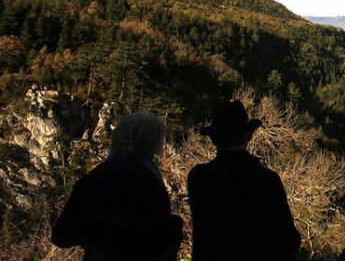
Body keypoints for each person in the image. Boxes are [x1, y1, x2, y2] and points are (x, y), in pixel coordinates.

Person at [52, 112, 183, 261]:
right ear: (155, 144)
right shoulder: (150, 182)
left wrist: (95, 240)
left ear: (117, 138)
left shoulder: (95, 179)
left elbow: (61, 237)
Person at [187, 100, 301, 261]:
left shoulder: (198, 178)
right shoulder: (268, 180)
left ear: (213, 140)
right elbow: (289, 240)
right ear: (249, 136)